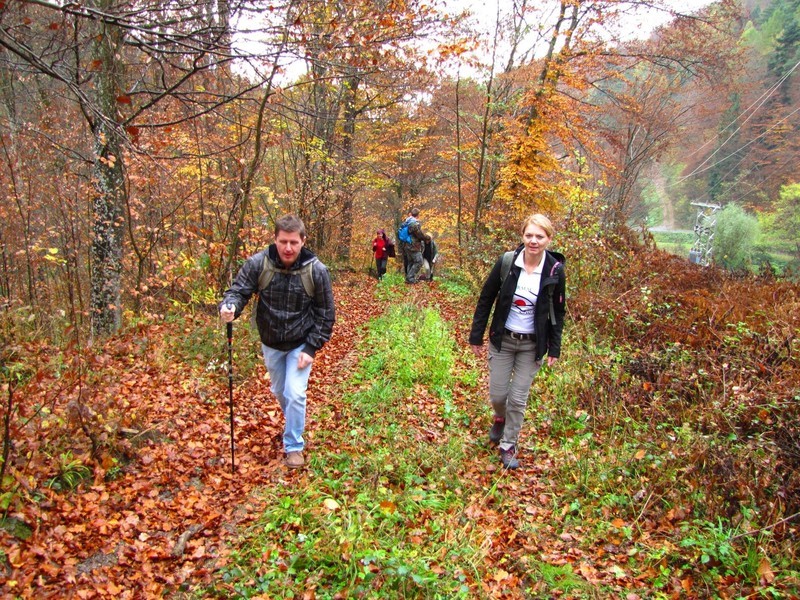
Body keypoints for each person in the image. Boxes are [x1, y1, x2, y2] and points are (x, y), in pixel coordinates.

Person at [220, 214, 335, 469]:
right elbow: (238, 291)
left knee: (295, 393)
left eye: (294, 242)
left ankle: (294, 446)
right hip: (270, 341)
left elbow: (326, 313)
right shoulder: (259, 263)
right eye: (283, 241)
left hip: (300, 343)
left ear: (303, 241)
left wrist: (311, 347)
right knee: (281, 392)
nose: (288, 248)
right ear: (275, 239)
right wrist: (230, 307)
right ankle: (295, 422)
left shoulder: (316, 270)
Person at [468, 214, 566, 469]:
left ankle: (508, 444)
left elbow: (558, 311)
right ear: (522, 236)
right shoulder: (507, 262)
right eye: (529, 235)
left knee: (518, 398)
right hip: (503, 340)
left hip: (532, 346)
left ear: (549, 239)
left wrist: (554, 347)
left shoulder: (554, 270)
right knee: (498, 395)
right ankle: (500, 418)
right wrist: (476, 336)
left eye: (539, 236)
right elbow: (486, 298)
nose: (533, 241)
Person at [399, 208, 431, 284]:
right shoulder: (414, 223)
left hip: (407, 245)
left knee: (411, 261)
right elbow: (419, 235)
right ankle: (410, 278)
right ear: (418, 215)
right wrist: (427, 238)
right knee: (419, 261)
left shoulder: (407, 221)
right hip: (413, 246)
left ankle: (408, 279)